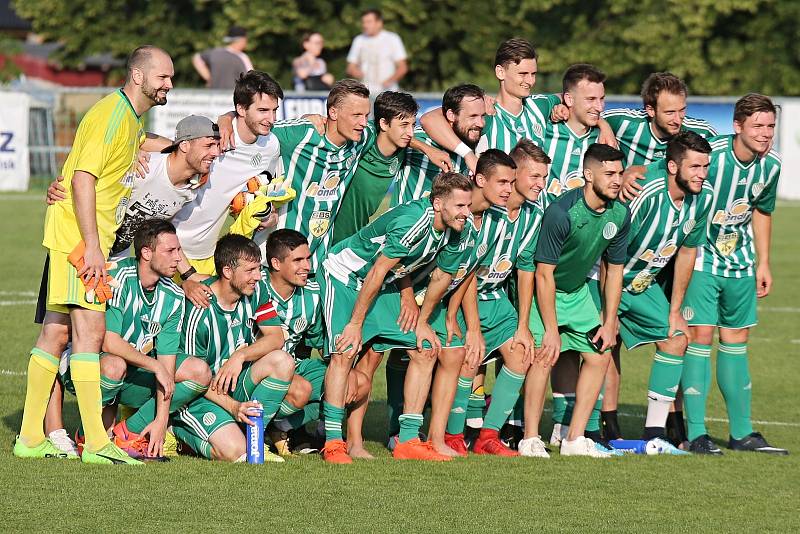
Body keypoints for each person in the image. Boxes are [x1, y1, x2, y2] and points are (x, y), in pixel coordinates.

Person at [15, 45, 174, 465]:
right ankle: (99, 445)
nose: (169, 84)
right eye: (163, 77)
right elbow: (82, 177)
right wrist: (93, 246)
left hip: (72, 237)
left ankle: (30, 438)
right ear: (138, 76)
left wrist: (183, 144)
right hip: (79, 243)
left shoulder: (129, 119)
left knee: (56, 333)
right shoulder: (111, 115)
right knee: (90, 333)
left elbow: (138, 145)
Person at [319, 171, 474, 463]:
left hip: (382, 283)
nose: (467, 213)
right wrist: (355, 324)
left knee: (425, 348)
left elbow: (441, 276)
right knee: (346, 350)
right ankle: (333, 444)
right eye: (460, 206)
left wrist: (423, 321)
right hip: (345, 278)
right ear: (439, 203)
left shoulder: (460, 230)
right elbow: (377, 270)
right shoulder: (413, 222)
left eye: (468, 206)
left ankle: (408, 441)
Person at [601, 72, 717, 442]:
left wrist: (674, 309)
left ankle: (660, 432)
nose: (677, 118)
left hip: (651, 272)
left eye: (682, 109)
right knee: (605, 341)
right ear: (649, 109)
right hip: (613, 270)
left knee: (676, 334)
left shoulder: (700, 180)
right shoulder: (627, 131)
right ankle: (600, 426)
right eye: (669, 111)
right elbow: (588, 108)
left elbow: (687, 252)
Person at [678, 94, 787, 455]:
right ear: (737, 125)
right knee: (701, 336)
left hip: (739, 262)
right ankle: (696, 432)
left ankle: (742, 433)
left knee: (737, 340)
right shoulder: (713, 157)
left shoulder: (770, 166)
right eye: (757, 125)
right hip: (700, 260)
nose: (765, 133)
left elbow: (762, 211)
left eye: (770, 126)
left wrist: (764, 262)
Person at [63, 220, 211, 460]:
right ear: (146, 252)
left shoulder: (173, 295)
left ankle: (128, 433)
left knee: (199, 371)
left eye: (179, 250)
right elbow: (109, 342)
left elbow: (168, 361)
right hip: (86, 368)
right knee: (114, 365)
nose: (178, 258)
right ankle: (90, 434)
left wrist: (161, 420)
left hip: (131, 372)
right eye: (170, 251)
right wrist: (155, 367)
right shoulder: (117, 276)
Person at [529, 143, 630, 457]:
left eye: (620, 173)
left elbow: (613, 271)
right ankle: (530, 439)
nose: (617, 180)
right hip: (543, 292)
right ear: (588, 174)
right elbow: (543, 274)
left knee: (600, 355)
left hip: (577, 294)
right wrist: (550, 328)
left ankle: (573, 439)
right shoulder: (561, 212)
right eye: (609, 173)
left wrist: (610, 321)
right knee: (544, 356)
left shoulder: (620, 213)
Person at [170, 234, 303, 462]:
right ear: (228, 272)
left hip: (231, 383)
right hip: (201, 394)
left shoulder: (256, 292)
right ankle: (176, 430)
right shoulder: (200, 308)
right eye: (250, 270)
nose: (258, 277)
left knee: (283, 362)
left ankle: (254, 437)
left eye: (258, 269)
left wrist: (240, 356)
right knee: (236, 453)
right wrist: (233, 407)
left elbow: (275, 338)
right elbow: (194, 379)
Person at [257, 229, 363, 457]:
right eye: (298, 260)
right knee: (300, 389)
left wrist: (345, 373)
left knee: (358, 383)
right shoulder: (255, 286)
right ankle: (255, 430)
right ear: (275, 263)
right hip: (253, 369)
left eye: (307, 258)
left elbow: (318, 341)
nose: (307, 266)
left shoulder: (312, 294)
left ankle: (280, 428)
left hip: (292, 365)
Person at [332, 91, 419, 244]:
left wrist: (427, 149)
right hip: (327, 234)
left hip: (354, 237)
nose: (411, 132)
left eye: (413, 125)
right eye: (404, 125)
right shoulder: (362, 140)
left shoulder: (402, 149)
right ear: (384, 124)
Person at [391, 83, 485, 207]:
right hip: (406, 224)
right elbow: (388, 134)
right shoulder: (422, 138)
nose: (481, 123)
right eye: (472, 116)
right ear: (451, 115)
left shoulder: (471, 138)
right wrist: (426, 149)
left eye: (482, 116)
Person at [346, 8, 408, 93]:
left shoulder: (392, 39)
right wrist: (356, 72)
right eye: (363, 22)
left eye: (369, 22)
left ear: (379, 23)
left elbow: (402, 67)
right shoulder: (359, 40)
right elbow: (350, 67)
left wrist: (389, 81)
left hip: (388, 93)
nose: (365, 25)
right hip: (365, 93)